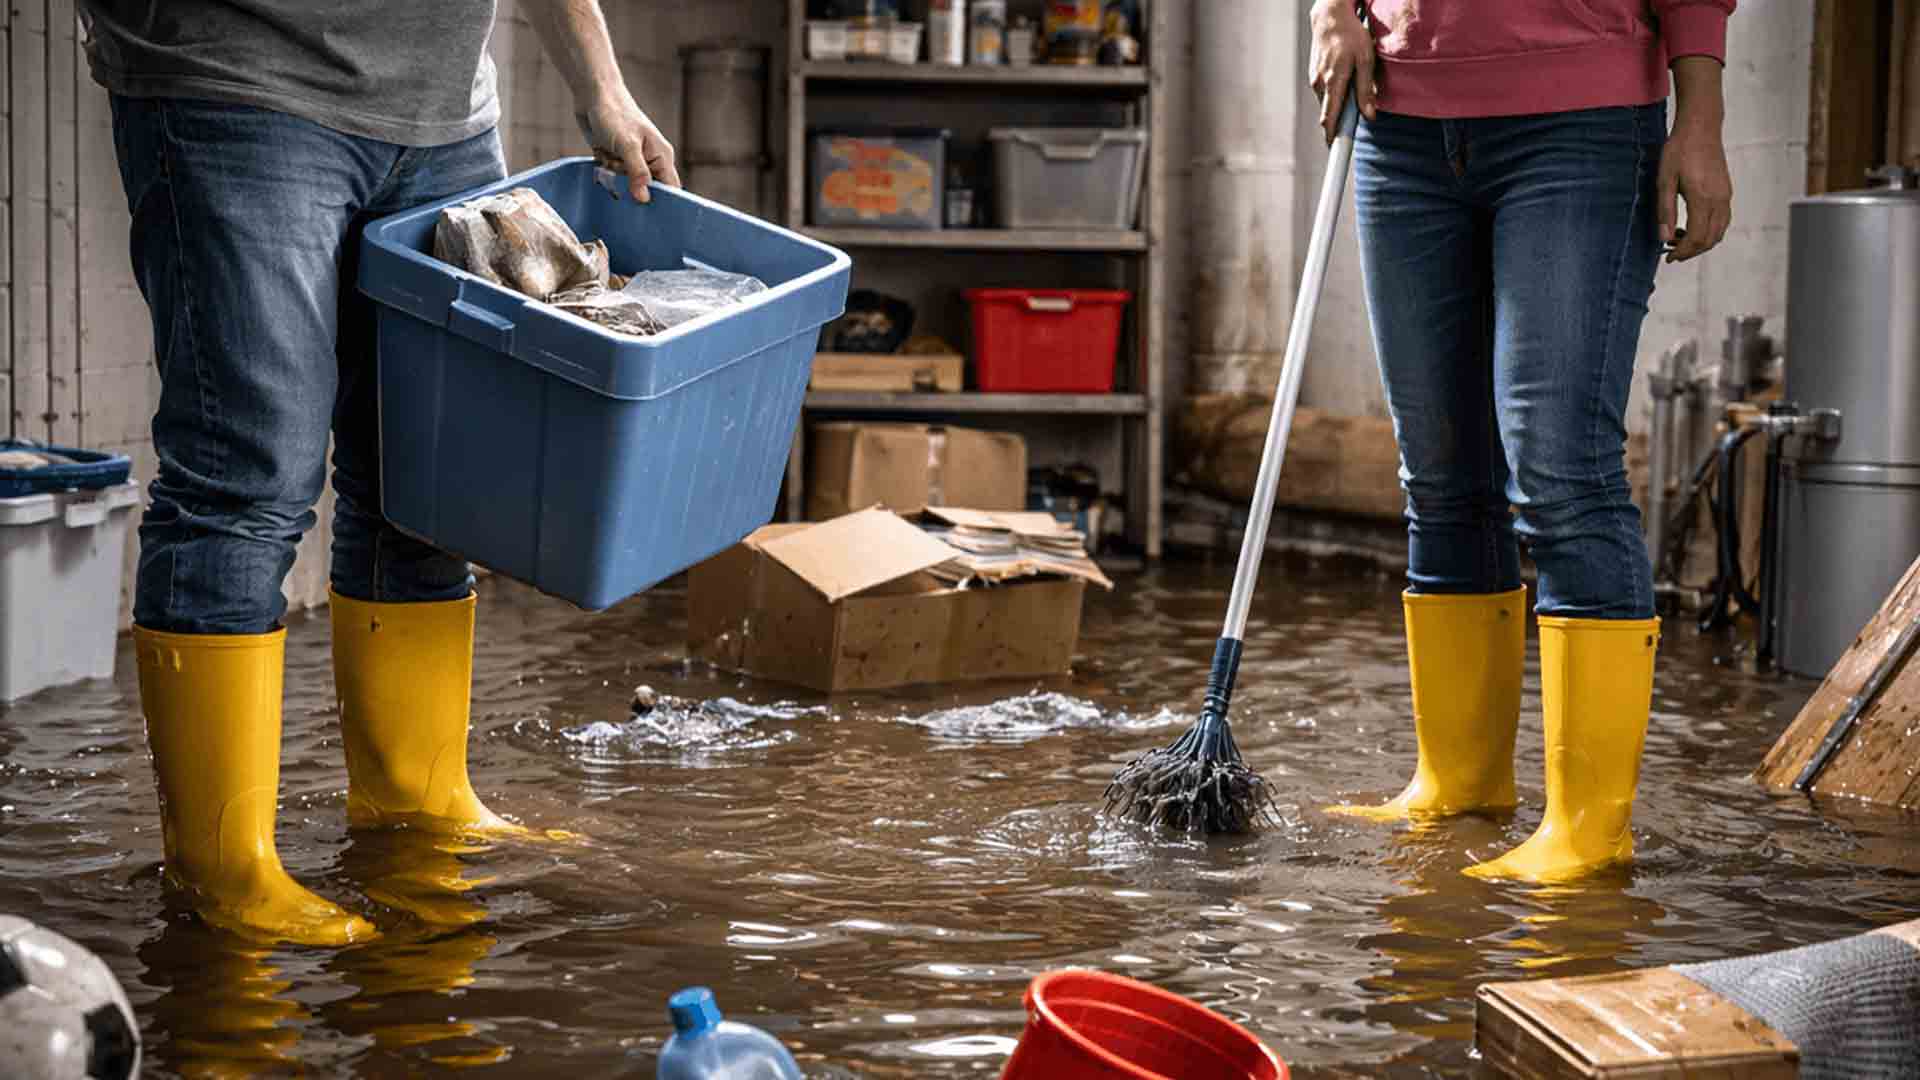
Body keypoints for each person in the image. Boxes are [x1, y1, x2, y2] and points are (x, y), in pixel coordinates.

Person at [80, 1, 678, 945]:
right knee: (248, 473)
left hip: (443, 120)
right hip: (243, 84)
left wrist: (601, 87)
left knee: (426, 473)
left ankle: (416, 797)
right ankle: (223, 866)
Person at [1313, 0, 1735, 882]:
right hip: (1402, 122)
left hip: (1578, 125)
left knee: (1560, 472)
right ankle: (1459, 781)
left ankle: (1586, 829)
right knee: (1438, 473)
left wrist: (1700, 120)